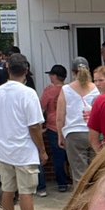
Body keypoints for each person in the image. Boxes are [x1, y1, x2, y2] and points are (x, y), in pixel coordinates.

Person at [0, 54, 48, 210]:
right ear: (26, 71)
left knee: (7, 189)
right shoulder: (29, 93)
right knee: (26, 192)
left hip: (3, 149)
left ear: (7, 69)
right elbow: (34, 126)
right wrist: (42, 150)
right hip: (24, 150)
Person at [58, 57, 99, 181]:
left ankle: (80, 199)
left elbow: (60, 116)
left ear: (72, 72)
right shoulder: (97, 89)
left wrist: (60, 135)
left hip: (73, 133)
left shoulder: (66, 89)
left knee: (78, 173)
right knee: (95, 172)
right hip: (94, 132)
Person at [39, 65, 71, 194]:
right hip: (69, 126)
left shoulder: (49, 91)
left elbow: (41, 107)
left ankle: (62, 183)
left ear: (55, 76)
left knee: (58, 157)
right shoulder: (70, 89)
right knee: (71, 157)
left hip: (53, 127)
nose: (49, 77)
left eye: (51, 75)